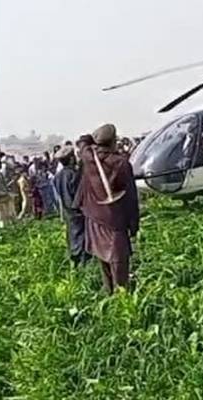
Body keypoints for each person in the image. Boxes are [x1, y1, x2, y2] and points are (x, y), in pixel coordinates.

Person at [74, 123, 140, 294]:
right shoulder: (121, 163)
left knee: (103, 257)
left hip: (94, 217)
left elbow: (82, 142)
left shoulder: (88, 157)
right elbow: (131, 198)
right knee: (119, 259)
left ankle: (109, 290)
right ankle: (121, 295)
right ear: (114, 141)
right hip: (115, 219)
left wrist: (90, 140)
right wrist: (134, 225)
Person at [53, 146, 91, 268]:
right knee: (82, 237)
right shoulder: (73, 175)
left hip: (67, 211)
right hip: (78, 210)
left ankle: (73, 263)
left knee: (72, 236)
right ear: (70, 159)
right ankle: (82, 263)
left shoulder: (57, 176)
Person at [0, 159, 17, 228]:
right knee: (1, 215)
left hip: (4, 196)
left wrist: (7, 190)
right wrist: (2, 193)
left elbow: (3, 185)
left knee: (7, 214)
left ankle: (7, 228)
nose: (0, 166)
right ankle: (2, 230)